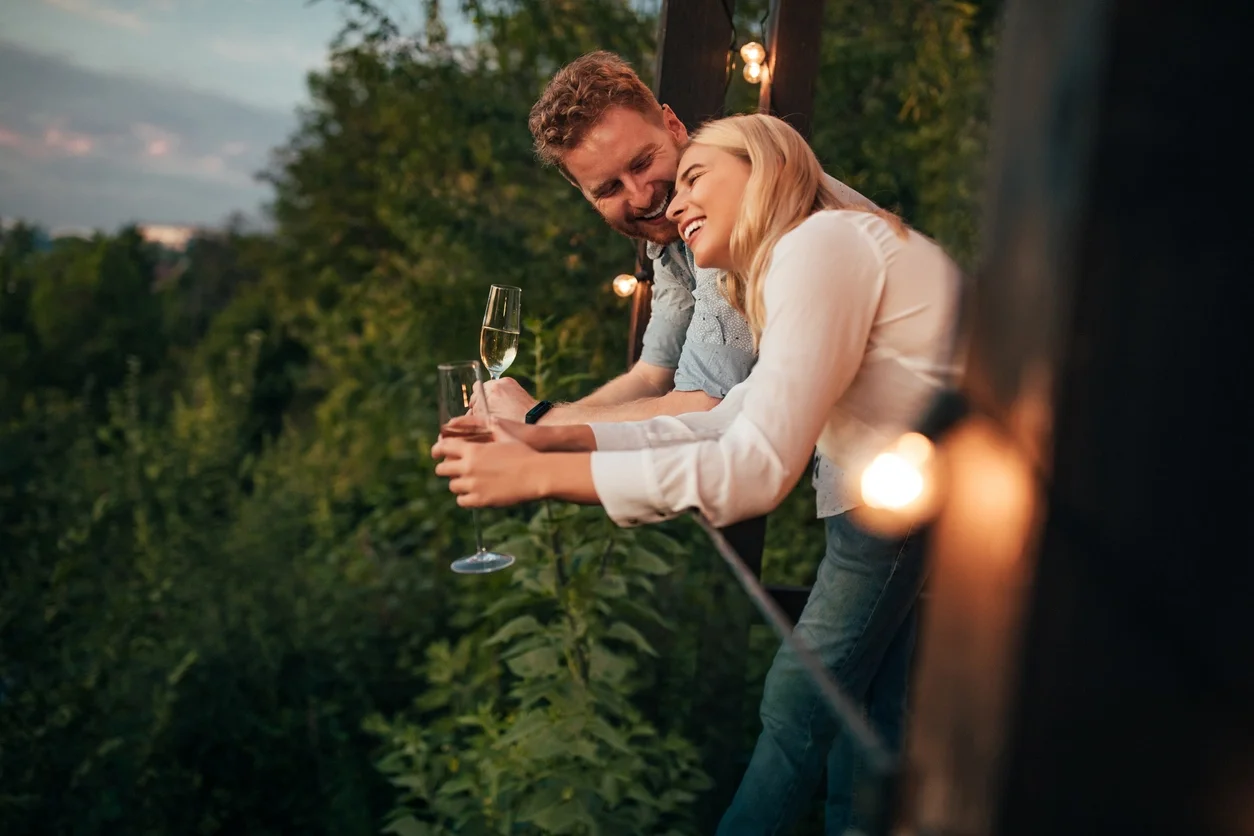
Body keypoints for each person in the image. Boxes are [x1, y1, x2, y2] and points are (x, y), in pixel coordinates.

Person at [434, 113, 963, 834]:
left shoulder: (818, 245)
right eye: (611, 188)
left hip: (936, 497)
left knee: (798, 698)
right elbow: (719, 418)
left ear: (766, 165)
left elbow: (752, 466)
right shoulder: (786, 266)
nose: (668, 200)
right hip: (922, 490)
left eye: (688, 175)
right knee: (870, 715)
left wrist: (540, 474)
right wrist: (549, 440)